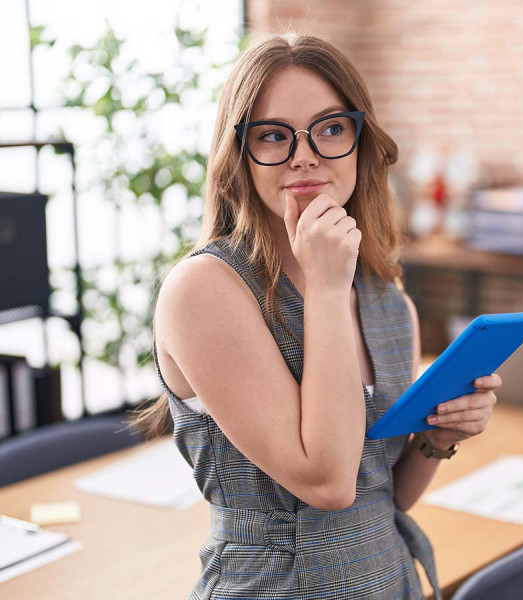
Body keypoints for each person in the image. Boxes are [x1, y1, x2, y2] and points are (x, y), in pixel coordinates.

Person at [130, 33, 503, 600]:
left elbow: (383, 495)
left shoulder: (386, 299)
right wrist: (327, 288)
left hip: (387, 579)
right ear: (241, 156)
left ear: (360, 142)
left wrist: (438, 436)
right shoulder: (204, 290)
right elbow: (327, 482)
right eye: (274, 135)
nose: (305, 154)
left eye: (331, 128)